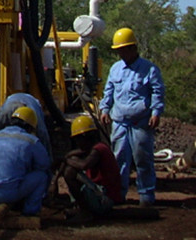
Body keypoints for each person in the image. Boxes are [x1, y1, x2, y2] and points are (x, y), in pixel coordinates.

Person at [99, 26, 165, 206]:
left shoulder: (149, 69)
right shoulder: (115, 69)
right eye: (118, 50)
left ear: (133, 48)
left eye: (123, 49)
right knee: (119, 160)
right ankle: (118, 194)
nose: (121, 53)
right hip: (120, 122)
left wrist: (156, 112)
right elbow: (109, 91)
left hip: (140, 123)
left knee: (143, 159)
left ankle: (146, 196)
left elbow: (157, 92)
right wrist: (105, 109)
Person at [0, 105, 52, 216]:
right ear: (30, 126)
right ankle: (30, 212)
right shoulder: (31, 140)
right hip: (9, 193)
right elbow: (44, 165)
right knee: (41, 176)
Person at [61, 114, 123, 219]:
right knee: (72, 163)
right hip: (101, 196)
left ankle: (85, 212)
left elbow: (84, 165)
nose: (77, 143)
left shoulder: (99, 150)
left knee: (70, 172)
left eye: (78, 140)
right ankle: (82, 208)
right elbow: (69, 156)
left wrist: (66, 160)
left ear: (85, 137)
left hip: (105, 200)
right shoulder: (94, 148)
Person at [0, 92, 52, 159]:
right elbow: (44, 141)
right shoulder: (36, 119)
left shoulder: (5, 114)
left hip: (13, 100)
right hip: (16, 103)